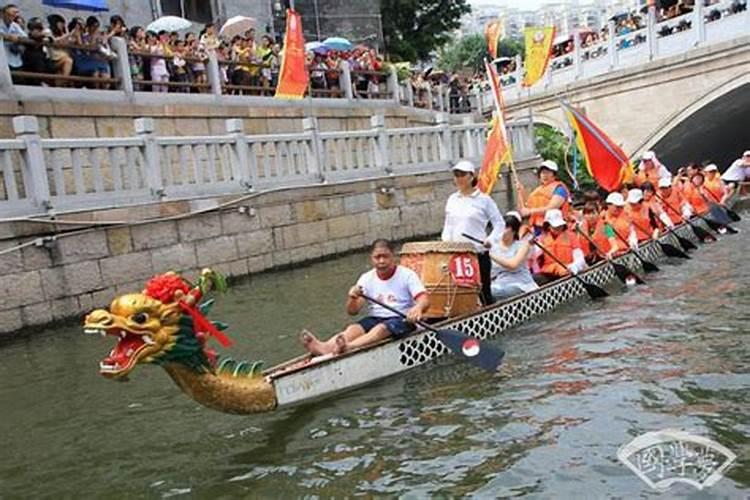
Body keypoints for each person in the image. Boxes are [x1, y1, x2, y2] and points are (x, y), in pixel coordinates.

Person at [301, 239, 429, 355]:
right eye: (377, 257)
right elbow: (352, 311)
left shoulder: (407, 275)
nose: (381, 261)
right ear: (371, 259)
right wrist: (352, 297)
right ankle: (325, 347)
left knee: (380, 329)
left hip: (403, 318)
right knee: (353, 329)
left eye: (385, 256)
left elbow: (424, 299)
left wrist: (418, 308)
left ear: (393, 256)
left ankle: (349, 347)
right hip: (376, 317)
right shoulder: (366, 278)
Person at [441, 160, 505, 306]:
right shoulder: (452, 199)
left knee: (483, 292)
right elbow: (448, 226)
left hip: (477, 254)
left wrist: (491, 240)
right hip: (456, 255)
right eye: (456, 175)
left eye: (462, 175)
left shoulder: (484, 200)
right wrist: (445, 246)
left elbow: (499, 223)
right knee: (459, 292)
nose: (458, 178)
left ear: (471, 176)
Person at [489, 214, 538, 300]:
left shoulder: (523, 245)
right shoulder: (493, 247)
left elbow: (513, 265)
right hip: (499, 284)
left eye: (505, 228)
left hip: (520, 284)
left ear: (514, 231)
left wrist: (489, 254)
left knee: (493, 293)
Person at [533, 208, 586, 285]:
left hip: (568, 272)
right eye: (555, 226)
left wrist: (574, 267)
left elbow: (580, 258)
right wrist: (530, 245)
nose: (558, 228)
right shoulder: (541, 239)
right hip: (550, 273)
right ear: (548, 226)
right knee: (535, 279)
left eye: (560, 225)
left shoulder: (571, 236)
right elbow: (533, 259)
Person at [519, 159, 571, 235]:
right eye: (542, 172)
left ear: (554, 175)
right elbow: (525, 208)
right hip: (537, 228)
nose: (544, 175)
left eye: (548, 172)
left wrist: (530, 211)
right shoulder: (537, 190)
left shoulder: (559, 189)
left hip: (554, 228)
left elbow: (551, 208)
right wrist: (521, 192)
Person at [593, 192, 636, 258]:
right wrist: (612, 250)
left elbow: (631, 230)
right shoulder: (604, 219)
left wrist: (632, 240)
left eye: (621, 207)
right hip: (609, 256)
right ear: (608, 205)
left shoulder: (624, 215)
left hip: (625, 252)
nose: (619, 209)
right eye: (617, 206)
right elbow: (610, 236)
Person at [1, 4, 26, 77]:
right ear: (3, 14)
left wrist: (18, 38)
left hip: (14, 60)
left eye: (15, 14)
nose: (13, 17)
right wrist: (8, 37)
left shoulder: (15, 25)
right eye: (10, 14)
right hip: (3, 58)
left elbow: (24, 36)